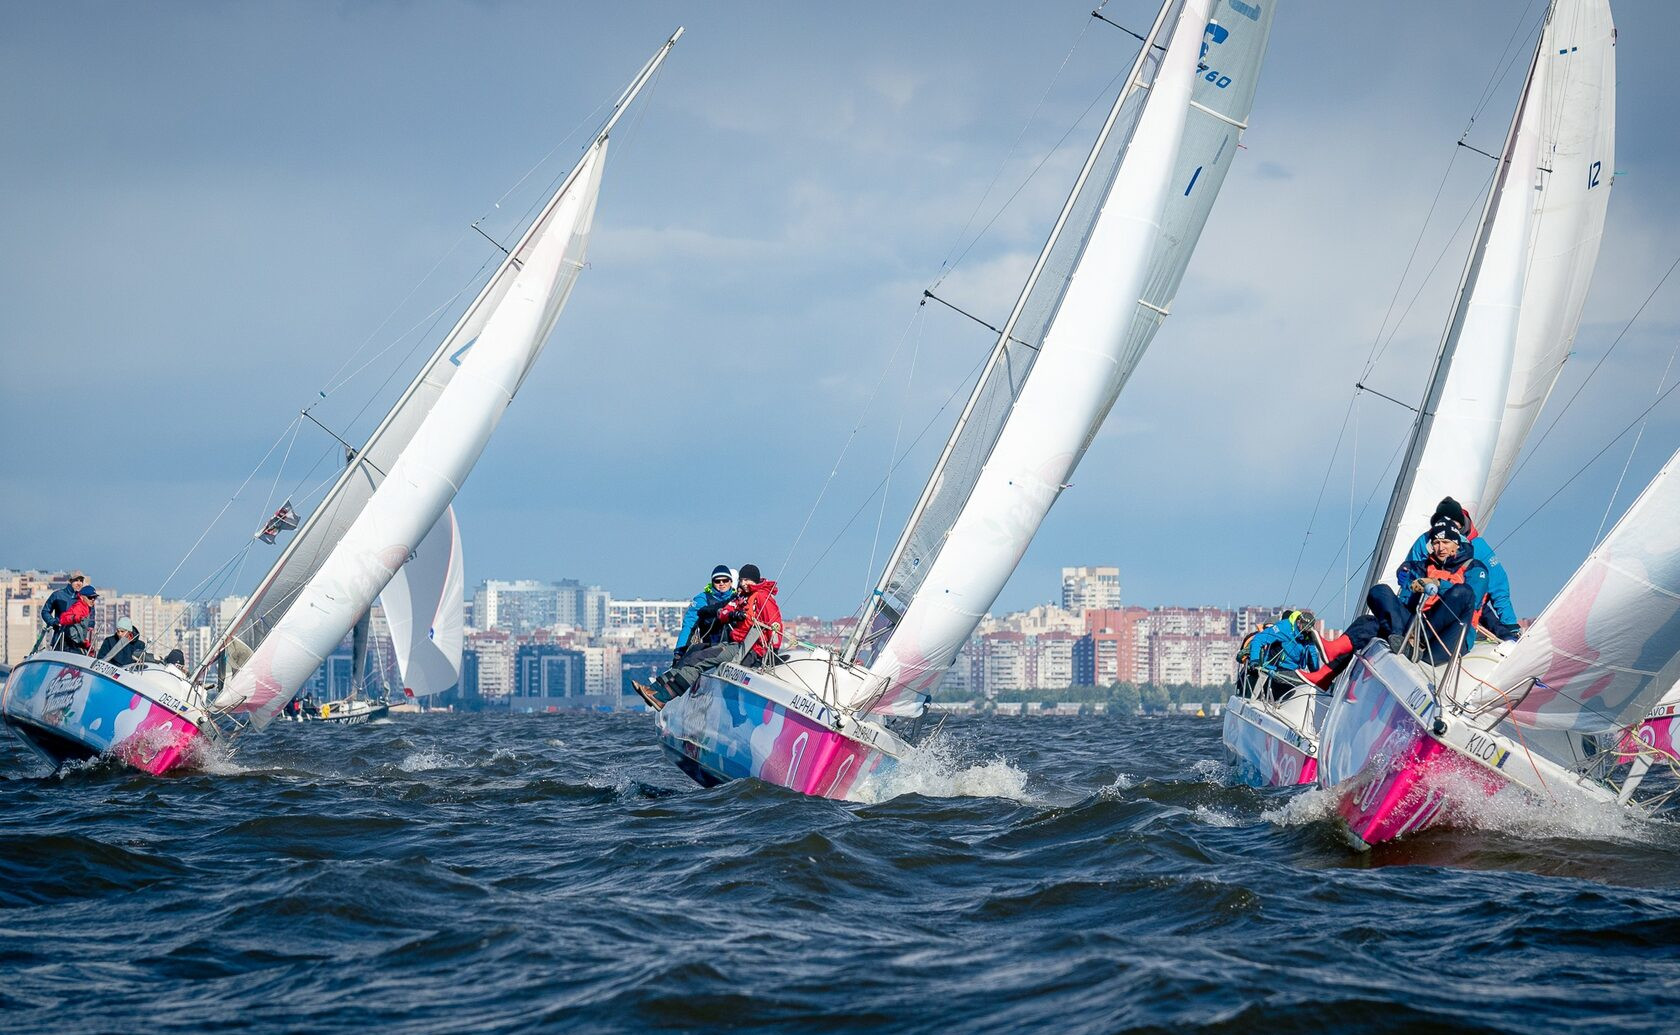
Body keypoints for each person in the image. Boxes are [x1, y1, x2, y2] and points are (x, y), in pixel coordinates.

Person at [634, 563, 783, 710]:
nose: (744, 583)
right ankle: (655, 689)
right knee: (693, 654)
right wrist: (730, 614)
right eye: (742, 580)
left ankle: (662, 697)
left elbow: (776, 628)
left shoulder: (763, 597)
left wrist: (772, 654)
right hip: (734, 644)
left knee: (700, 658)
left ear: (755, 581)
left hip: (749, 649)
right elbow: (723, 612)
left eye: (747, 580)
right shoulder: (741, 598)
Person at [1366, 519, 1491, 664]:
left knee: (1463, 592)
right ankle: (1402, 640)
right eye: (1436, 543)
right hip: (1416, 626)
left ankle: (1416, 642)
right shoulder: (1422, 567)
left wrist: (1438, 584)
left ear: (1456, 544)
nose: (1441, 548)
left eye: (1446, 542)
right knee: (1379, 592)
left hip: (1448, 636)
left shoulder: (1475, 568)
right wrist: (1407, 578)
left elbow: (1473, 600)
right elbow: (1405, 600)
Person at [1403, 496, 1519, 641]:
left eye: (1453, 523)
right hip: (1430, 602)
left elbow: (1498, 585)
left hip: (1468, 600)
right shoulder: (1424, 541)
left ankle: (1510, 637)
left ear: (1461, 523)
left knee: (1476, 605)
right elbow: (1411, 573)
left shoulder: (1479, 547)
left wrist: (1509, 622)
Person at [1241, 610, 1322, 697]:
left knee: (1310, 685)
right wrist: (1254, 660)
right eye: (1303, 628)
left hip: (1294, 672)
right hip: (1275, 671)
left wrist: (1317, 677)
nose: (1305, 631)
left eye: (1307, 629)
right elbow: (1259, 639)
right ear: (1298, 622)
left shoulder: (1308, 636)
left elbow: (1312, 655)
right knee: (1303, 682)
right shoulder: (1283, 628)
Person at [673, 565, 736, 661]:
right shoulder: (702, 599)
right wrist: (679, 651)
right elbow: (689, 625)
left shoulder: (738, 598)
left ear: (731, 582)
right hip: (710, 647)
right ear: (712, 582)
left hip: (734, 648)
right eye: (717, 581)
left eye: (725, 580)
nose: (721, 584)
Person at [36, 571, 87, 649]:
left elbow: (90, 617)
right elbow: (45, 611)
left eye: (81, 581)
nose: (79, 583)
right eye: (76, 580)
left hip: (78, 642)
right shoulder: (58, 595)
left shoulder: (84, 598)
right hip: (60, 639)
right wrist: (53, 622)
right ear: (70, 581)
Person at [53, 585, 99, 654]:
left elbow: (80, 633)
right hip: (68, 645)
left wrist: (87, 646)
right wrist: (74, 618)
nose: (92, 599)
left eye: (94, 597)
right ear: (81, 597)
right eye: (90, 597)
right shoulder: (78, 607)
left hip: (76, 644)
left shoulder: (87, 609)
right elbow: (63, 618)